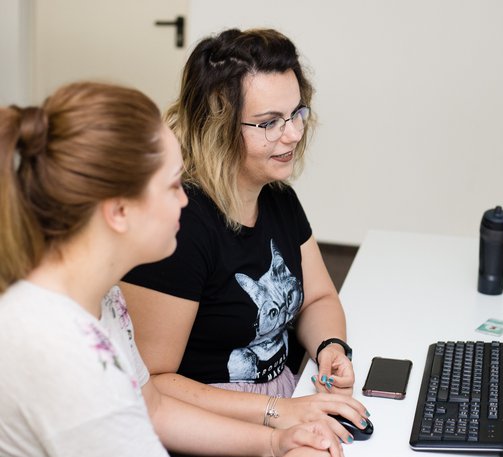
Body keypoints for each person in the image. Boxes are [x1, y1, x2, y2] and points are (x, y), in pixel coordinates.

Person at [0, 81, 344, 457]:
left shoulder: (105, 299)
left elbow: (155, 408)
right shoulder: (65, 354)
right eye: (171, 186)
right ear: (118, 212)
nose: (185, 201)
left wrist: (275, 443)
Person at [120, 28, 368, 436]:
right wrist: (277, 413)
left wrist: (330, 348)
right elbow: (154, 384)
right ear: (217, 126)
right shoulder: (180, 226)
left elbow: (319, 296)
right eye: (269, 123)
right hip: (213, 424)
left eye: (296, 114)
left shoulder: (277, 198)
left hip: (286, 401)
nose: (292, 134)